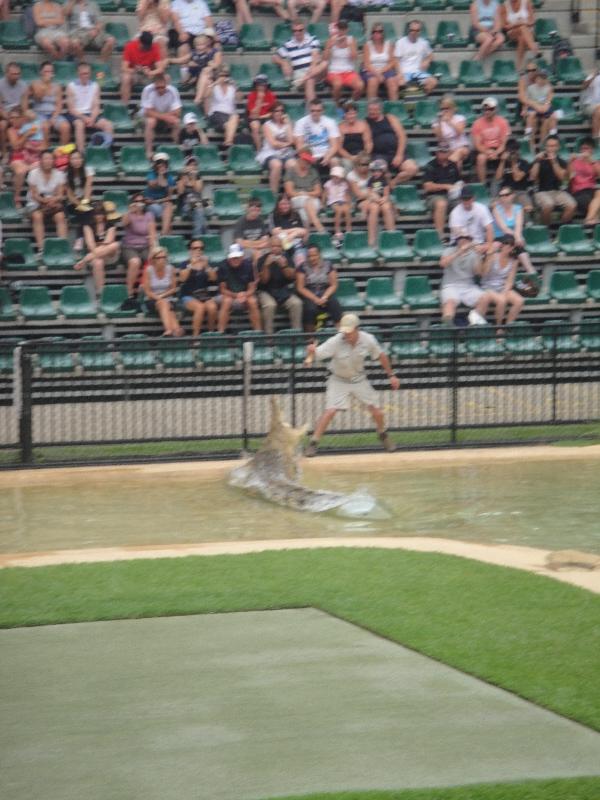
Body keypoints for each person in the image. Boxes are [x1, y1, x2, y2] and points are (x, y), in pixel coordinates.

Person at [304, 313, 400, 457]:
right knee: (330, 411)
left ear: (357, 329)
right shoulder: (336, 341)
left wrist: (391, 375)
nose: (346, 334)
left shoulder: (368, 339)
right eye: (344, 331)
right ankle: (313, 443)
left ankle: (382, 435)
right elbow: (317, 353)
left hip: (358, 379)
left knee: (377, 412)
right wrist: (311, 352)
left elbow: (381, 355)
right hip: (338, 380)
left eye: (349, 331)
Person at [439, 229, 491, 326]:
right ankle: (448, 326)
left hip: (468, 286)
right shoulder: (448, 251)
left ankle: (474, 323)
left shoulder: (474, 254)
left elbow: (479, 273)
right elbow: (443, 264)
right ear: (457, 239)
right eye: (461, 238)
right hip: (450, 285)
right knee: (450, 303)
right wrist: (460, 251)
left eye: (467, 238)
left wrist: (479, 257)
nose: (463, 240)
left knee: (485, 297)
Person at [258, 236, 303, 334]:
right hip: (266, 291)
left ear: (282, 247)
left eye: (278, 246)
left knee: (296, 303)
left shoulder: (286, 258)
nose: (275, 248)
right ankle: (268, 338)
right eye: (273, 246)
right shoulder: (262, 259)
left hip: (282, 290)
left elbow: (292, 276)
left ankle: (296, 335)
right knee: (270, 305)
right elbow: (263, 281)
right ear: (269, 247)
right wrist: (266, 265)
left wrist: (284, 266)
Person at [273, 19, 325, 105]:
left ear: (304, 30)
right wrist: (283, 63)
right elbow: (274, 57)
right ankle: (313, 107)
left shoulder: (312, 39)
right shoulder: (288, 44)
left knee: (325, 63)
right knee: (310, 81)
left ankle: (304, 80)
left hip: (314, 70)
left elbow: (315, 55)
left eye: (300, 30)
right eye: (294, 31)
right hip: (300, 73)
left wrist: (311, 69)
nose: (297, 33)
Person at [66, 62, 114, 154]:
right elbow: (71, 109)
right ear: (78, 74)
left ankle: (106, 152)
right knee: (80, 125)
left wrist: (92, 118)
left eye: (87, 73)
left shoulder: (95, 85)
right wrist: (84, 118)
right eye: (83, 74)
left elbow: (96, 106)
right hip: (76, 114)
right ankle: (81, 153)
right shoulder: (71, 86)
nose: (85, 76)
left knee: (108, 125)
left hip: (90, 114)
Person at [74, 200, 120, 296]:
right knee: (98, 262)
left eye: (100, 214)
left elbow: (108, 243)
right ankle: (100, 292)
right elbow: (91, 246)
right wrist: (100, 248)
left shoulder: (111, 226)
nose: (99, 216)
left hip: (109, 256)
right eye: (96, 214)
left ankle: (84, 261)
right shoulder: (88, 227)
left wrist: (99, 247)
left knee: (115, 245)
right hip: (94, 256)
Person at [366, 99, 417, 183]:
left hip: (396, 152)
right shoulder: (366, 122)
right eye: (370, 110)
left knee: (412, 169)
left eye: (374, 110)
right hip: (379, 155)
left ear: (380, 110)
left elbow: (402, 137)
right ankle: (387, 187)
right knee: (380, 171)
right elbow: (367, 141)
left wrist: (399, 155)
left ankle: (393, 183)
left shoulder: (390, 118)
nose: (372, 112)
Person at [26, 149, 68, 252]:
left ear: (53, 161)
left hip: (53, 204)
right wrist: (45, 201)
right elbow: (34, 194)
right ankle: (41, 248)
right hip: (36, 204)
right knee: (37, 216)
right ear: (40, 160)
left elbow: (60, 194)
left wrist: (53, 200)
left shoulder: (59, 174)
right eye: (45, 158)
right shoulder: (33, 173)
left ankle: (63, 247)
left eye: (50, 158)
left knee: (60, 216)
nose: (48, 161)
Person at [478, 235, 524, 328]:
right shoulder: (493, 256)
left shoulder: (514, 261)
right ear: (502, 245)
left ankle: (508, 326)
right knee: (502, 300)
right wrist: (489, 257)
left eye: (512, 245)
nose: (509, 247)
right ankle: (499, 327)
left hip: (502, 287)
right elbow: (484, 273)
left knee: (520, 301)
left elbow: (510, 281)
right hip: (488, 287)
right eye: (507, 244)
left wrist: (504, 291)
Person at [530, 135, 576, 226]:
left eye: (554, 146)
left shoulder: (561, 161)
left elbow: (562, 178)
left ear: (558, 147)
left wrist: (554, 162)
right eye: (549, 146)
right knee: (548, 205)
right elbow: (532, 177)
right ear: (545, 147)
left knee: (572, 205)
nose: (551, 148)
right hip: (541, 191)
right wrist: (537, 161)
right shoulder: (539, 160)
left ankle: (562, 229)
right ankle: (546, 230)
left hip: (558, 191)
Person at [295, 243, 341, 331]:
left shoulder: (328, 264)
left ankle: (340, 332)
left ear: (319, 254)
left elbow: (334, 284)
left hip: (325, 290)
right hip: (309, 292)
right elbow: (300, 287)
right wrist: (315, 299)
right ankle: (310, 338)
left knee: (334, 304)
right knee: (309, 308)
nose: (312, 258)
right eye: (309, 256)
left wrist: (325, 297)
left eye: (314, 255)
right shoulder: (302, 267)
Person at [216, 243, 261, 333]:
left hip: (245, 294)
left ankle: (258, 332)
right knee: (226, 301)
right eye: (233, 257)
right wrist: (236, 295)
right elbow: (223, 289)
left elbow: (252, 288)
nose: (235, 260)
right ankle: (220, 333)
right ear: (229, 257)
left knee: (252, 301)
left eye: (237, 257)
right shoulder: (223, 266)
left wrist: (244, 294)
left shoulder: (248, 265)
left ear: (242, 257)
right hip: (229, 294)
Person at [7, 110, 47, 208]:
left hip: (35, 157)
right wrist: (26, 135)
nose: (13, 120)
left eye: (15, 117)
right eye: (11, 118)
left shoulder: (35, 127)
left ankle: (37, 198)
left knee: (40, 168)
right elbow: (16, 146)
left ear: (22, 118)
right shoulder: (11, 130)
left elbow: (45, 146)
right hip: (18, 157)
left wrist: (34, 148)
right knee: (21, 171)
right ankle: (16, 198)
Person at [26, 62, 71, 147]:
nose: (48, 73)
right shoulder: (35, 83)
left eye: (50, 71)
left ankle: (61, 152)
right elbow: (38, 98)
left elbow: (59, 104)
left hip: (53, 113)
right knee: (45, 127)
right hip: (39, 113)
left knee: (66, 126)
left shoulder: (57, 86)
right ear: (41, 72)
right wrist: (45, 85)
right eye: (46, 71)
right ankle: (46, 152)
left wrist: (54, 117)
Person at [122, 191, 157, 298]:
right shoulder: (129, 215)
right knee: (135, 262)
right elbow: (123, 223)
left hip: (145, 246)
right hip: (129, 247)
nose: (139, 203)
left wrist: (152, 250)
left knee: (155, 260)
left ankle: (150, 291)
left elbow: (152, 234)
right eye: (137, 201)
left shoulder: (149, 215)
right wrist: (130, 211)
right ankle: (130, 292)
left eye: (141, 201)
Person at [492, 186, 535, 274]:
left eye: (506, 195)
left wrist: (518, 236)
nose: (503, 197)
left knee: (517, 245)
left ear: (512, 196)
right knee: (517, 244)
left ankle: (531, 272)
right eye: (501, 195)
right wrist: (517, 237)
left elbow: (518, 226)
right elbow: (504, 228)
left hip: (513, 238)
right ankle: (531, 272)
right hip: (500, 237)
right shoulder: (496, 210)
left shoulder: (518, 208)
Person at [168, 31, 220, 103]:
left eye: (202, 44)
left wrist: (210, 65)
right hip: (199, 77)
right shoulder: (194, 52)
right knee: (206, 81)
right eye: (198, 45)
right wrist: (168, 60)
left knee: (205, 72)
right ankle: (201, 100)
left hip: (211, 75)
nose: (200, 47)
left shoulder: (215, 52)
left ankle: (198, 98)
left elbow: (217, 65)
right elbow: (182, 60)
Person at [422, 143, 461, 239]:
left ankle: (461, 237)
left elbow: (458, 181)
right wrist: (445, 186)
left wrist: (459, 186)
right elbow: (427, 186)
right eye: (440, 151)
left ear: (449, 153)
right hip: (434, 196)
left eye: (444, 152)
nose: (442, 154)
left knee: (463, 204)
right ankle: (439, 237)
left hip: (452, 195)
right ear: (436, 152)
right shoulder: (430, 166)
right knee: (441, 203)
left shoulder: (453, 165)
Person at [179, 240, 218, 335]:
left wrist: (207, 266)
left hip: (203, 295)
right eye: (195, 248)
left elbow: (214, 278)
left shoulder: (206, 263)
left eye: (201, 248)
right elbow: (182, 279)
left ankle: (210, 333)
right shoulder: (185, 263)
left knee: (212, 307)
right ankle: (195, 338)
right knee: (200, 307)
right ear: (190, 250)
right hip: (188, 295)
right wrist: (191, 265)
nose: (198, 250)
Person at [256, 103, 296, 194]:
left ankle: (290, 193)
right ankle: (273, 194)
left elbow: (292, 140)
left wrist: (288, 124)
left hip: (286, 153)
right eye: (276, 111)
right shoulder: (267, 125)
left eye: (281, 111)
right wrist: (287, 143)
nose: (279, 113)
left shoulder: (287, 124)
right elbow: (273, 144)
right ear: (272, 113)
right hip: (270, 153)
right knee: (277, 165)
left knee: (293, 165)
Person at [142, 245, 183, 336]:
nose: (162, 259)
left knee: (167, 306)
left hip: (168, 298)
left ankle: (175, 331)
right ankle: (170, 329)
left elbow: (173, 288)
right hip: (152, 299)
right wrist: (158, 298)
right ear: (153, 259)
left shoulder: (170, 269)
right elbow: (147, 291)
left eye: (164, 257)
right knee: (164, 303)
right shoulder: (148, 270)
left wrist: (162, 296)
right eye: (159, 257)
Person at [140, 73, 182, 159]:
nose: (160, 89)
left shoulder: (173, 91)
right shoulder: (148, 90)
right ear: (154, 85)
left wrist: (165, 116)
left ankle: (176, 146)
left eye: (162, 87)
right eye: (157, 87)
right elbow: (148, 112)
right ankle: (149, 150)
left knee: (177, 121)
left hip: (163, 115)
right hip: (147, 117)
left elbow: (178, 111)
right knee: (151, 121)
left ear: (166, 84)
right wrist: (166, 116)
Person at [471, 97, 511, 185]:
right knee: (481, 158)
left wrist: (496, 153)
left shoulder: (503, 122)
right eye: (485, 109)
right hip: (484, 149)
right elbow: (477, 145)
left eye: (490, 109)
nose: (487, 111)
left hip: (498, 148)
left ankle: (502, 184)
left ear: (495, 109)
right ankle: (483, 184)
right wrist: (488, 152)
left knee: (506, 156)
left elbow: (503, 143)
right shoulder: (477, 123)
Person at [284, 148, 325, 233]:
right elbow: (290, 192)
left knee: (304, 214)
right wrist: (301, 195)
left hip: (311, 198)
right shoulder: (291, 171)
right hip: (296, 198)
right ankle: (319, 227)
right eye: (305, 160)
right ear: (300, 159)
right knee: (307, 201)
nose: (307, 163)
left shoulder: (313, 172)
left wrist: (306, 194)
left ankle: (306, 237)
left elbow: (318, 191)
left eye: (308, 161)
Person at [121, 31, 167, 105]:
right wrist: (135, 70)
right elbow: (124, 68)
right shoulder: (130, 46)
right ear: (140, 42)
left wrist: (150, 72)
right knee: (126, 77)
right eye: (145, 46)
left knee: (166, 77)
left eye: (148, 46)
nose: (147, 48)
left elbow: (160, 68)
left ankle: (162, 105)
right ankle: (124, 106)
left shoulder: (154, 47)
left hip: (148, 75)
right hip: (134, 75)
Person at [323, 19, 363, 106]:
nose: (342, 31)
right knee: (338, 85)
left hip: (348, 72)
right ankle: (337, 105)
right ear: (337, 29)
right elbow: (325, 58)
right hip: (334, 71)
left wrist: (349, 45)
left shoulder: (351, 40)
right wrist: (330, 46)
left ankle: (349, 104)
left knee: (360, 86)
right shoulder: (330, 40)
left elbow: (354, 57)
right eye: (340, 28)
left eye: (344, 28)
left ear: (347, 29)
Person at [294, 100, 340, 173]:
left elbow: (334, 146)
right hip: (308, 154)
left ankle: (335, 184)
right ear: (309, 110)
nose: (315, 113)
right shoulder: (301, 123)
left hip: (325, 154)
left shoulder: (330, 122)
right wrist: (309, 157)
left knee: (335, 161)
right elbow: (299, 147)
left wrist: (328, 156)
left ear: (323, 111)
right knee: (299, 162)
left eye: (318, 111)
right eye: (313, 111)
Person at [394, 21, 438, 95]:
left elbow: (431, 55)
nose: (414, 32)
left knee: (433, 82)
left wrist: (427, 60)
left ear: (420, 31)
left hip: (419, 72)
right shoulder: (400, 42)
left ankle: (422, 100)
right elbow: (396, 60)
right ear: (408, 30)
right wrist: (399, 73)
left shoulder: (424, 43)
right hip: (405, 72)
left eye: (417, 30)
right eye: (412, 30)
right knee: (399, 83)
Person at [519, 66, 557, 148]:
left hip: (544, 107)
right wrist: (524, 109)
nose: (541, 80)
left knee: (552, 117)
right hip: (534, 107)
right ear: (536, 78)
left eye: (544, 78)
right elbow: (526, 100)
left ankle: (552, 135)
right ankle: (528, 133)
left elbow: (549, 99)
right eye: (540, 78)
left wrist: (546, 105)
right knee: (531, 115)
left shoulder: (549, 88)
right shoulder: (530, 88)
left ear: (546, 79)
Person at [448, 185, 494, 251]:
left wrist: (489, 245)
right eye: (464, 199)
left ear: (473, 198)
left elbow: (489, 229)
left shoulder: (482, 208)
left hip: (479, 243)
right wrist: (474, 247)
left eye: (468, 198)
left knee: (492, 251)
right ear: (460, 199)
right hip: (458, 244)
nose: (466, 201)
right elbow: (459, 235)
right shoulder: (455, 212)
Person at [494, 137, 533, 214]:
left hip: (520, 191)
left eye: (515, 150)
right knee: (493, 205)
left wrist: (513, 162)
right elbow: (498, 178)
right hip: (505, 192)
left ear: (518, 151)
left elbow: (517, 178)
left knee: (528, 208)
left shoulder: (524, 163)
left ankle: (525, 223)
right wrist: (502, 161)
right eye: (510, 150)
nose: (512, 152)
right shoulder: (503, 163)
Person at [65, 149, 95, 249]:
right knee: (83, 212)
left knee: (87, 211)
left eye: (78, 158)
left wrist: (85, 202)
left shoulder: (88, 170)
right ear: (70, 160)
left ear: (82, 159)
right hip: (73, 203)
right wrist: (79, 204)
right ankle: (83, 238)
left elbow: (88, 186)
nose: (76, 160)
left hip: (86, 200)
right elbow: (69, 194)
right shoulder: (66, 174)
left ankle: (80, 238)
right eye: (73, 158)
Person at [204, 65, 239, 148]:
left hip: (230, 114)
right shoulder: (214, 87)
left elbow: (240, 98)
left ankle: (228, 142)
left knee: (235, 117)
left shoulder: (232, 88)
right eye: (221, 76)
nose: (224, 77)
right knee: (228, 125)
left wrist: (236, 86)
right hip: (217, 113)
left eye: (226, 76)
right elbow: (206, 95)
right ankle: (229, 142)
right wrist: (215, 83)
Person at [361, 23, 398, 102]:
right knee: (373, 82)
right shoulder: (367, 45)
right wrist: (377, 74)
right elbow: (367, 64)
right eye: (375, 31)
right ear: (372, 33)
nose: (377, 33)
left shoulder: (389, 45)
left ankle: (394, 107)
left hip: (385, 69)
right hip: (371, 70)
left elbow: (392, 62)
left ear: (383, 33)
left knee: (392, 83)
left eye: (380, 31)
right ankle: (371, 107)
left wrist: (380, 72)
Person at [432, 95, 469, 171]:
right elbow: (440, 139)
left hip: (461, 147)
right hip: (447, 149)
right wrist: (439, 123)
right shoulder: (436, 122)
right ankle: (455, 180)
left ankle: (447, 174)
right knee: (458, 162)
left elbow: (460, 132)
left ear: (453, 108)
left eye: (447, 108)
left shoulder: (460, 118)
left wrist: (449, 121)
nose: (445, 111)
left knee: (458, 153)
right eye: (442, 109)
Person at [269, 193, 308, 266]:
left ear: (290, 204)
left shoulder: (296, 214)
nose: (285, 206)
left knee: (301, 260)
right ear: (278, 205)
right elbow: (274, 232)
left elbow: (304, 231)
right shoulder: (273, 215)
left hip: (297, 246)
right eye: (282, 204)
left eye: (287, 204)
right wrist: (296, 230)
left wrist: (293, 235)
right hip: (281, 247)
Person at [568, 137, 600, 225]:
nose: (584, 151)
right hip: (578, 191)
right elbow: (568, 177)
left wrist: (592, 161)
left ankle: (589, 219)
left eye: (587, 148)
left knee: (599, 193)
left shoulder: (594, 162)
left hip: (590, 190)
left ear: (592, 150)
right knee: (595, 206)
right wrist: (570, 162)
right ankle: (591, 220)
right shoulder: (575, 162)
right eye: (582, 148)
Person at [0, 63, 29, 157]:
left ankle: (24, 152)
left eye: (18, 74)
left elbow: (24, 106)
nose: (16, 76)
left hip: (17, 112)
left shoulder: (23, 85)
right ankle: (4, 152)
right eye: (13, 74)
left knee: (27, 122)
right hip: (4, 114)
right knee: (2, 125)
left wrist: (21, 117)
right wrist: (9, 119)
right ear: (7, 73)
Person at [501, 0, 539, 71]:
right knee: (522, 27)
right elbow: (504, 27)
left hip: (528, 32)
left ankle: (518, 66)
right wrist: (518, 23)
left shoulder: (527, 2)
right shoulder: (505, 5)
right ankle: (534, 49)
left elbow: (532, 22)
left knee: (522, 37)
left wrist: (522, 23)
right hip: (513, 32)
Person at [365, 158, 395, 247]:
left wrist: (384, 199)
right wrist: (374, 198)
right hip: (373, 199)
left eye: (378, 171)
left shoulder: (384, 180)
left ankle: (392, 236)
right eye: (374, 171)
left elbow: (386, 193)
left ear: (382, 171)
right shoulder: (370, 180)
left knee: (386, 207)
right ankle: (371, 238)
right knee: (374, 208)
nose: (376, 173)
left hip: (382, 199)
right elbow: (369, 192)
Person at [144, 151, 176, 234]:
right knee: (168, 219)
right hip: (150, 204)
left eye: (163, 163)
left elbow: (169, 197)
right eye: (159, 163)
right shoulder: (151, 174)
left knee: (169, 205)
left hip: (159, 202)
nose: (161, 165)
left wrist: (156, 201)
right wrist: (160, 175)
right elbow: (152, 185)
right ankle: (165, 234)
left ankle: (163, 233)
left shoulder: (170, 177)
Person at [246, 74, 277, 152]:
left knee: (267, 127)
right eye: (259, 85)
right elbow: (253, 114)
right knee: (255, 126)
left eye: (263, 85)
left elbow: (273, 112)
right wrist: (259, 100)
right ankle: (259, 149)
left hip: (266, 118)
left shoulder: (270, 95)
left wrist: (262, 117)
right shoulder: (252, 95)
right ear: (255, 85)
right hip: (254, 119)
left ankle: (269, 149)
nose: (261, 87)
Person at [337, 101, 372, 170]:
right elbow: (339, 148)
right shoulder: (340, 127)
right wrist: (350, 157)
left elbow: (369, 143)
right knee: (347, 164)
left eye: (353, 113)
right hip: (347, 156)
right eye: (348, 114)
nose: (351, 116)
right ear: (344, 114)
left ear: (356, 113)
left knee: (368, 164)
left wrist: (363, 156)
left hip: (362, 155)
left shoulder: (364, 125)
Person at [177, 155, 206, 237]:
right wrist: (184, 177)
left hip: (197, 205)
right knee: (201, 214)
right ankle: (202, 238)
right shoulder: (180, 177)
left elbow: (198, 190)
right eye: (190, 164)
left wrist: (193, 177)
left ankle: (197, 238)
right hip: (185, 207)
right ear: (186, 166)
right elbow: (180, 191)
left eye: (195, 165)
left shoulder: (198, 177)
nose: (193, 166)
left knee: (200, 212)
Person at [324, 165, 352, 246]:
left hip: (342, 201)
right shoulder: (328, 184)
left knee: (347, 210)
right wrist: (323, 204)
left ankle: (348, 230)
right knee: (339, 210)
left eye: (338, 177)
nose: (336, 178)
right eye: (334, 176)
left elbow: (347, 195)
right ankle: (337, 231)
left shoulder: (344, 184)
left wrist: (349, 203)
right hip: (333, 201)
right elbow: (325, 194)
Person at [581, 67, 600, 142]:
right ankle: (596, 139)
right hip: (589, 105)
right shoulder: (592, 76)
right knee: (598, 110)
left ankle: (596, 138)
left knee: (598, 111)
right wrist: (594, 75)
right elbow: (583, 87)